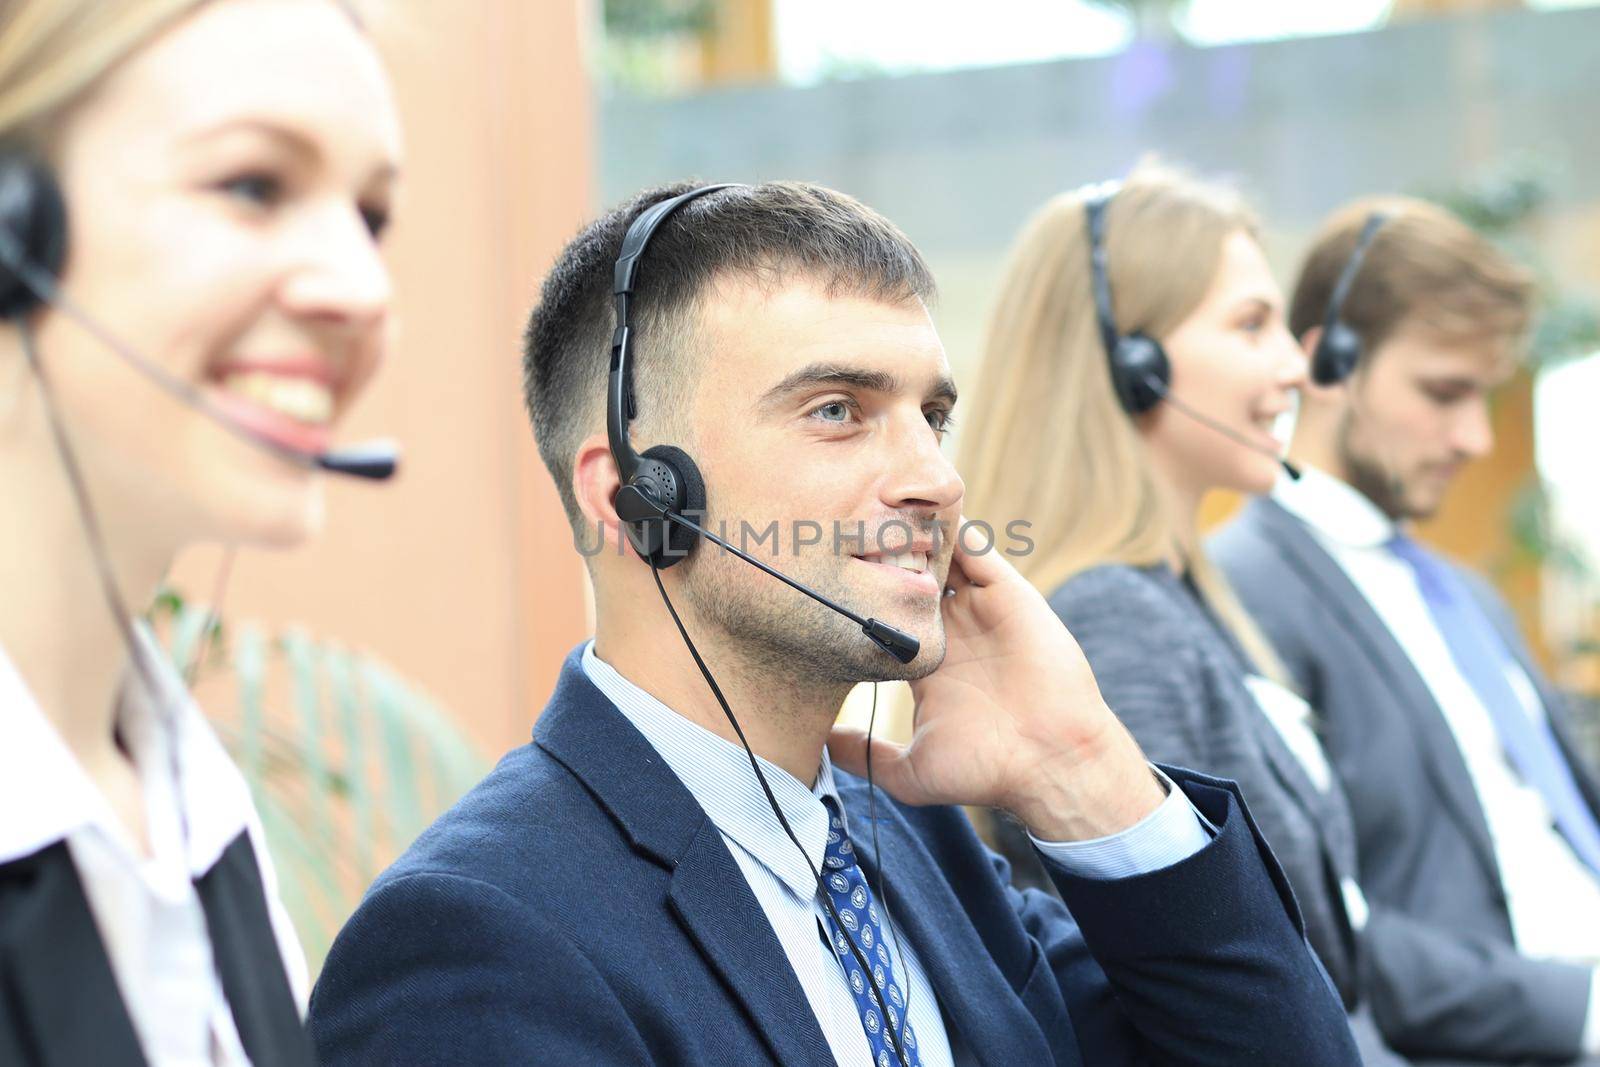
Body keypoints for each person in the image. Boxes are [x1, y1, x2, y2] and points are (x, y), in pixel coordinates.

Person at [308, 179, 1360, 1065]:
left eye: (932, 416)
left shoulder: (916, 843)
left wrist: (1080, 768)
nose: (936, 480)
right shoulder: (477, 936)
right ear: (634, 492)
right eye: (838, 411)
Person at [0, 1, 402, 1064]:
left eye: (371, 215)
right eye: (253, 185)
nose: (362, 287)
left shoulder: (196, 816)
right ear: (11, 229)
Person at [959, 165, 1417, 1065]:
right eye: (1251, 325)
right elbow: (1196, 981)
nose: (1295, 364)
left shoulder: (1190, 598)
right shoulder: (1112, 623)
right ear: (1134, 366)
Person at [1212, 195, 1600, 1065]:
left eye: (1482, 397)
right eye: (1442, 393)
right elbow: (1309, 921)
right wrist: (1584, 1008)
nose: (1471, 436)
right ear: (1327, 364)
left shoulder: (1464, 593)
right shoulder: (1244, 588)